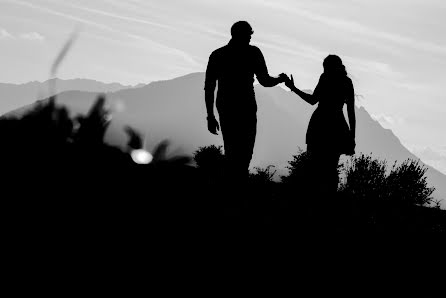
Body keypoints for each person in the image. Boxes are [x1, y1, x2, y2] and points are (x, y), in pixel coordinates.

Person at [204, 21, 287, 182]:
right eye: (248, 33)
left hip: (226, 106)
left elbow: (209, 88)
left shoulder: (217, 55)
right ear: (239, 34)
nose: (250, 36)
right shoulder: (253, 53)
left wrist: (210, 115)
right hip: (246, 106)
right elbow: (265, 81)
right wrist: (280, 79)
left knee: (231, 150)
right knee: (245, 151)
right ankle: (237, 189)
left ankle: (231, 187)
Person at [284, 55, 356, 199]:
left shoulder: (325, 78)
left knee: (313, 167)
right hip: (337, 126)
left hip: (319, 124)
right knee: (330, 169)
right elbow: (350, 112)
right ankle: (327, 202)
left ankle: (313, 201)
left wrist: (293, 88)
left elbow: (312, 100)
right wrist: (351, 136)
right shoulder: (346, 82)